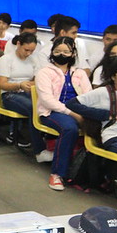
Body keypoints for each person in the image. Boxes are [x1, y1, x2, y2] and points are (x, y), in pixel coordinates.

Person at [35, 36, 93, 190]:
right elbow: (47, 100)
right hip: (52, 112)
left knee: (101, 126)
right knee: (69, 128)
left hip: (78, 110)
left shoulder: (79, 73)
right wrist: (72, 114)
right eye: (57, 51)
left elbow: (88, 95)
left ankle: (92, 176)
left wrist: (85, 113)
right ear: (52, 52)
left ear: (73, 53)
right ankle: (57, 173)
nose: (61, 54)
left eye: (66, 52)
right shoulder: (45, 72)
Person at [0, 32, 47, 156]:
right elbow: (2, 84)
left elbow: (37, 79)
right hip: (9, 94)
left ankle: (47, 142)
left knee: (46, 105)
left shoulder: (33, 59)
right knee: (33, 108)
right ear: (18, 44)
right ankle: (38, 149)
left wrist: (30, 84)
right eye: (26, 50)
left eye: (32, 51)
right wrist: (19, 85)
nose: (29, 53)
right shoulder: (6, 59)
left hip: (28, 91)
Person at [66, 56, 117, 155]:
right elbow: (71, 104)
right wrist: (107, 114)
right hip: (113, 136)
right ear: (113, 77)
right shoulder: (103, 92)